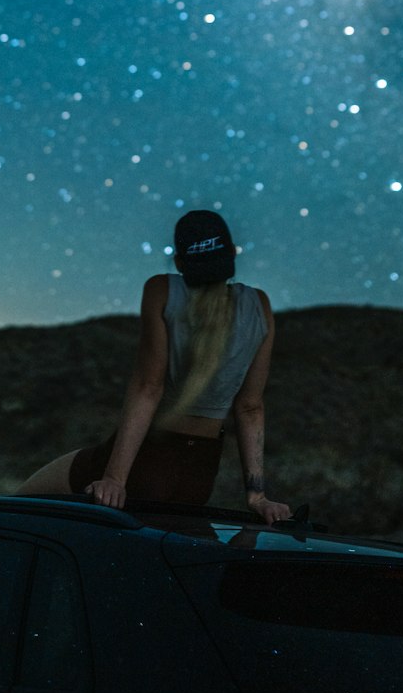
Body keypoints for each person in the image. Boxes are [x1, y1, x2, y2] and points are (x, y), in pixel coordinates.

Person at [18, 210, 291, 526]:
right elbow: (250, 408)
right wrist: (257, 496)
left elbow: (149, 387)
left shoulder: (162, 290)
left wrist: (115, 479)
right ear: (232, 253)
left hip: (146, 458)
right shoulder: (260, 306)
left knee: (17, 508)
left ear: (178, 263)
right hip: (201, 472)